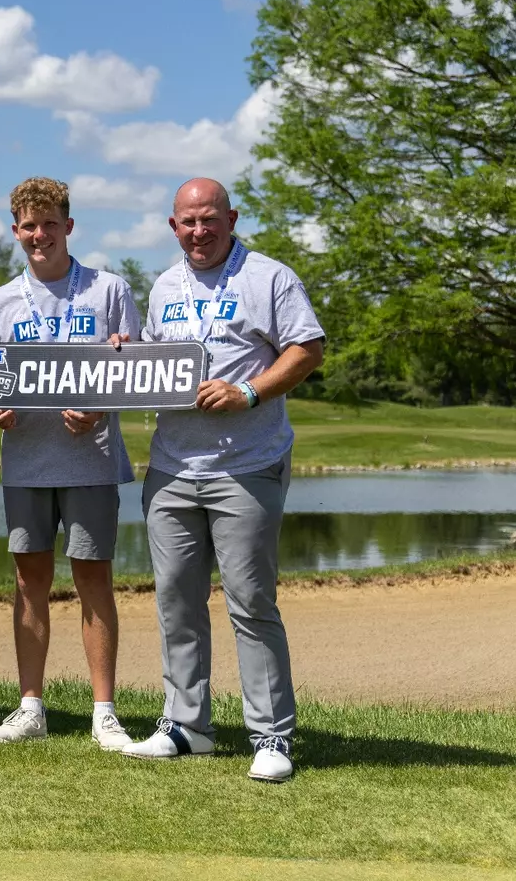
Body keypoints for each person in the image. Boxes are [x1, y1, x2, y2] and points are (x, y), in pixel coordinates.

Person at [120, 178, 324, 783]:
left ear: (230, 218)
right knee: (176, 600)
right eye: (188, 222)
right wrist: (125, 357)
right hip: (172, 468)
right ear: (173, 225)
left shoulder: (268, 277)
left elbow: (307, 348)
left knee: (251, 603)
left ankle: (272, 736)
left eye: (210, 219)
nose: (199, 231)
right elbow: (157, 367)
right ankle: (186, 725)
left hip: (247, 465)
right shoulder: (163, 286)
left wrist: (250, 392)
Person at [0, 178, 139, 751]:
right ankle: (30, 707)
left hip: (91, 460)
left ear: (68, 226)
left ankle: (104, 711)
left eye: (49, 223)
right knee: (29, 582)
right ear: (16, 231)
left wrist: (100, 408)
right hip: (25, 461)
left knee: (93, 579)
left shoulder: (108, 289)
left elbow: (136, 375)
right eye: (28, 225)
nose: (39, 234)